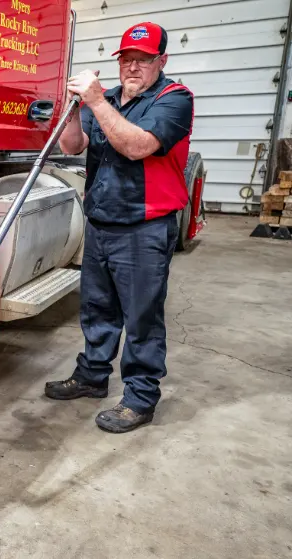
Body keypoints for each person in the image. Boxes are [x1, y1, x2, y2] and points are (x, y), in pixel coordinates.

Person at [44, 22, 194, 433]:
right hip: (102, 222)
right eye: (127, 59)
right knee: (97, 309)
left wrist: (95, 101)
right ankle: (92, 377)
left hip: (144, 228)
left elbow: (137, 146)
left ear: (161, 61)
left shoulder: (173, 99)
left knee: (142, 317)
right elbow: (73, 146)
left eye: (143, 60)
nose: (132, 67)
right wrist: (74, 106)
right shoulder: (105, 99)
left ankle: (140, 399)